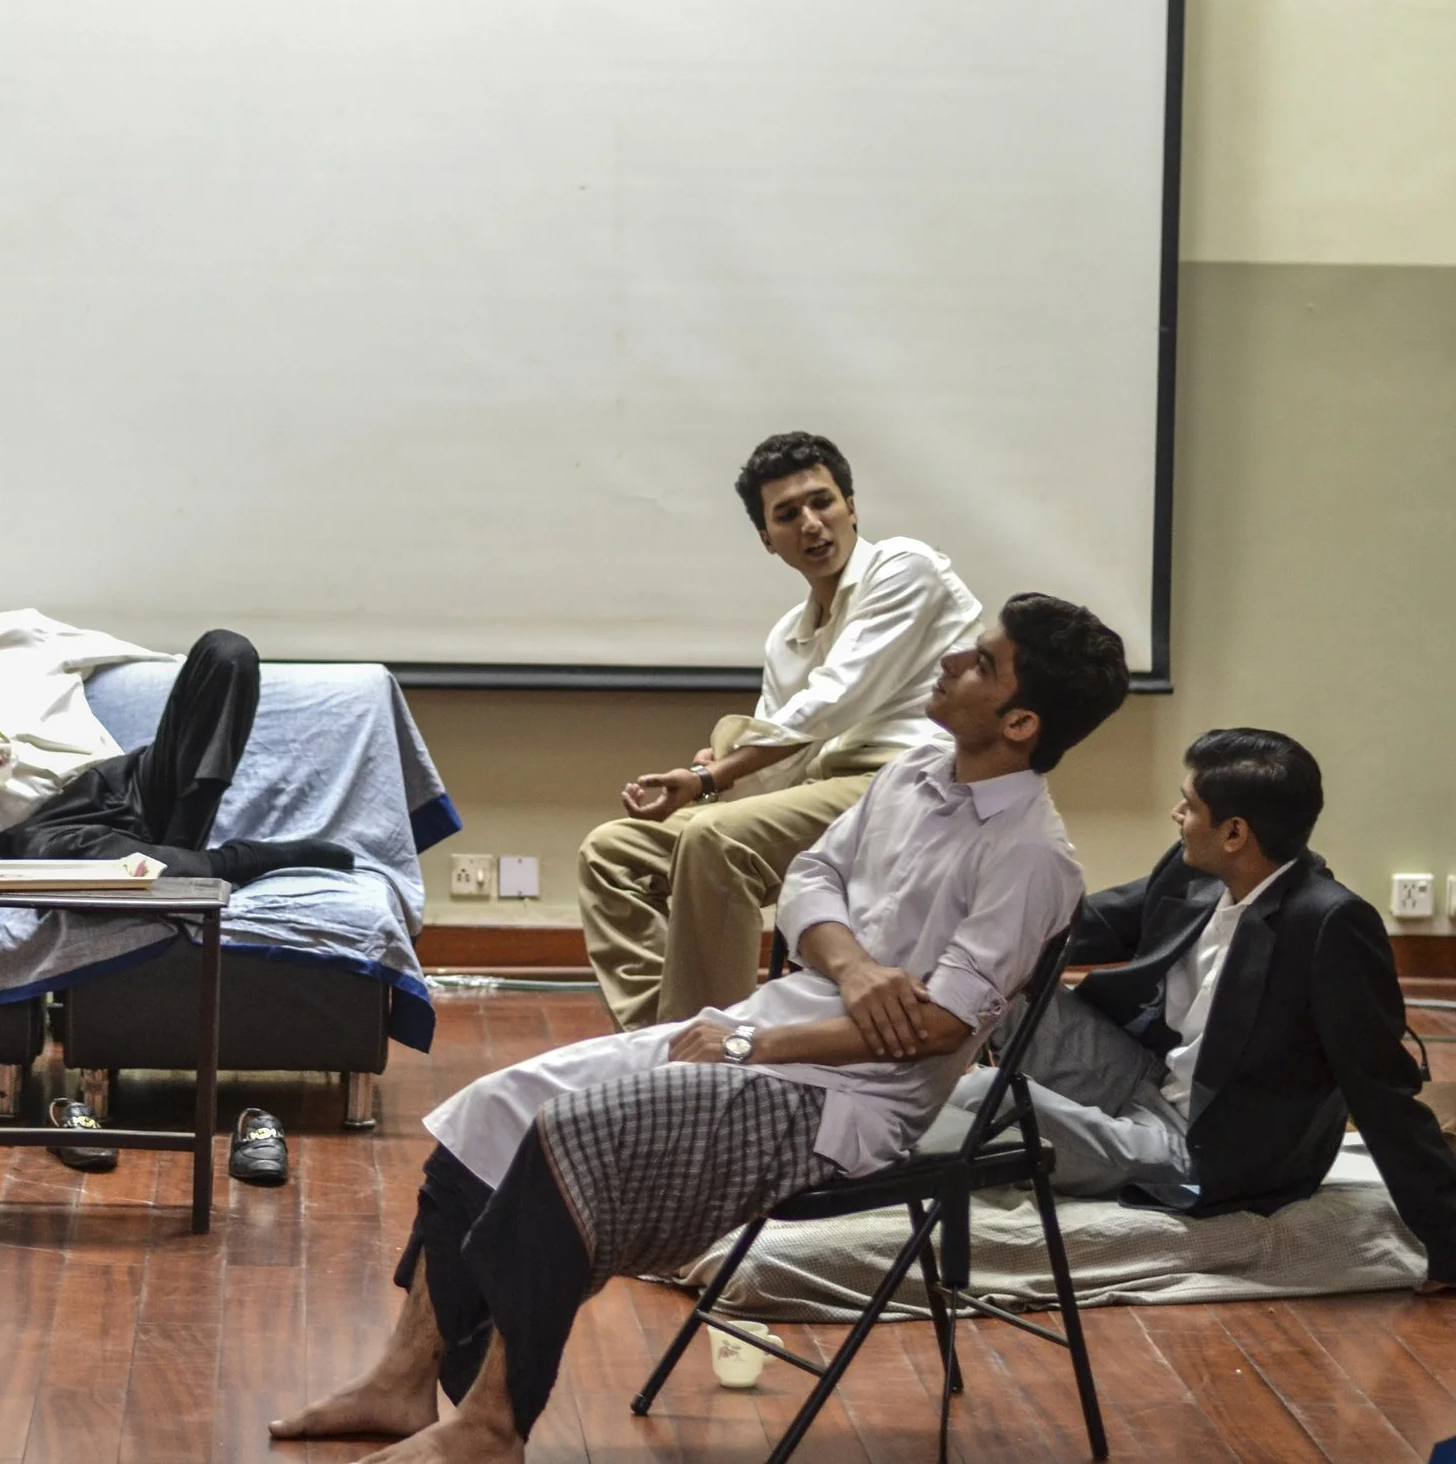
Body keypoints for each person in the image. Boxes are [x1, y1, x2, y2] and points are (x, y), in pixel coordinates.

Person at [271, 593, 1130, 1463]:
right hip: (762, 1033)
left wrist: (756, 1044)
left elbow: (939, 1026)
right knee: (494, 1105)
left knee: (571, 1134)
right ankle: (403, 1379)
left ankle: (493, 1425)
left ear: (1020, 722)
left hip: (846, 1104)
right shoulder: (913, 772)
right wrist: (856, 971)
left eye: (982, 662)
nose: (950, 661)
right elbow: (808, 881)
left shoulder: (1032, 857)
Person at [943, 727, 1456, 1290]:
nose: (1176, 813)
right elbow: (1095, 922)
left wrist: (1448, 1242)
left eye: (1188, 805)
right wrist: (978, 937)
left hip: (1207, 1151)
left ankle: (891, 1145)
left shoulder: (1329, 925)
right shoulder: (1197, 869)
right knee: (991, 983)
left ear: (1235, 833)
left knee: (978, 1096)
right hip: (1147, 1078)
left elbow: (1382, 1091)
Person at [580, 432, 983, 1030]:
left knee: (715, 838)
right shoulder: (788, 635)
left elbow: (833, 701)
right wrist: (713, 773)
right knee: (612, 852)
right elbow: (782, 764)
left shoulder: (906, 567)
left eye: (822, 502)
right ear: (769, 539)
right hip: (829, 793)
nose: (811, 524)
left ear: (852, 507)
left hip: (912, 786)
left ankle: (717, 1058)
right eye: (788, 514)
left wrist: (711, 777)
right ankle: (661, 1040)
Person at [0, 519, 352, 887]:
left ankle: (177, 867)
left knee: (226, 652)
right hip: (47, 830)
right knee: (31, 855)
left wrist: (204, 709)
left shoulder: (27, 631)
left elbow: (165, 665)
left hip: (127, 784)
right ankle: (234, 862)